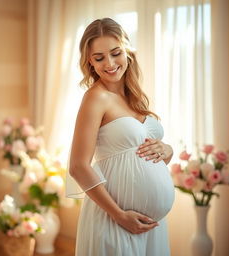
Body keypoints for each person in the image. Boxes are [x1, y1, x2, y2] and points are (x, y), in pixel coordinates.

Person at [67, 17, 175, 256]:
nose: (110, 63)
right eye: (99, 57)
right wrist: (119, 215)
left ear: (127, 51)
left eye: (116, 53)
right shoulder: (96, 98)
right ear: (89, 62)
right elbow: (77, 166)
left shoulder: (134, 96)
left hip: (152, 225)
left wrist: (167, 150)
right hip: (115, 220)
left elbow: (138, 155)